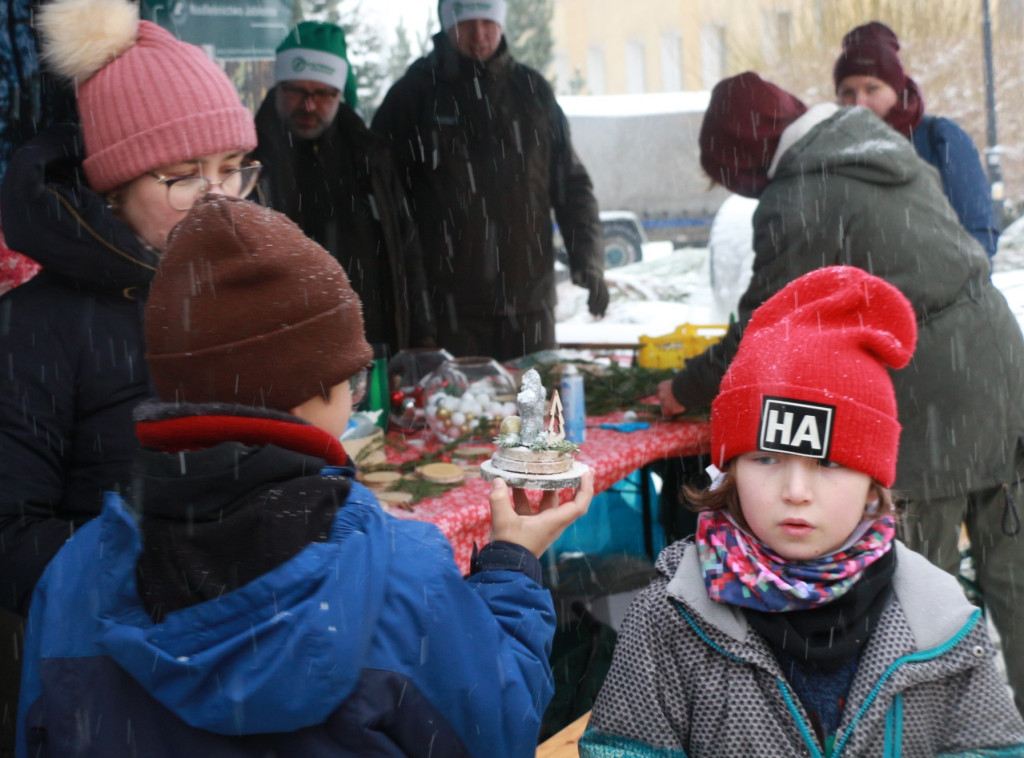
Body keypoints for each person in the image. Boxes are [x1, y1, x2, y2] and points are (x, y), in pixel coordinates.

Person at [16, 193, 594, 757]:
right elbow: (499, 730)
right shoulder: (398, 573)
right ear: (313, 392)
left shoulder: (73, 575)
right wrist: (512, 566)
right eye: (351, 377)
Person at [657, 71, 1024, 715]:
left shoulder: (800, 193)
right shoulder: (869, 143)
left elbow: (761, 327)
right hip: (998, 367)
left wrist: (681, 388)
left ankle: (926, 728)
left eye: (728, 171)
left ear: (745, 152)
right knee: (1015, 578)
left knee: (918, 598)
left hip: (930, 400)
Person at [583, 266, 1024, 756]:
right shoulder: (671, 616)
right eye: (766, 458)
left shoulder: (941, 622)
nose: (795, 491)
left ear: (874, 480)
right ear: (729, 469)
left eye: (830, 463)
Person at [0, 0, 258, 616]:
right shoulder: (35, 328)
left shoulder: (240, 289)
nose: (218, 198)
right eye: (183, 176)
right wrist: (169, 565)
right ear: (111, 192)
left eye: (232, 169)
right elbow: (9, 543)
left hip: (243, 652)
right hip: (112, 673)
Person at [372, 0, 608, 362]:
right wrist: (414, 313)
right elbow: (388, 207)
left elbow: (572, 186)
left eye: (488, 22)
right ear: (448, 25)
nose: (479, 35)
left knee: (537, 413)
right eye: (467, 23)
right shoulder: (414, 95)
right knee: (461, 415)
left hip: (529, 306)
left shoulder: (532, 92)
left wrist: (588, 260)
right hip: (448, 313)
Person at [253, 21, 434, 355]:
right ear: (278, 88)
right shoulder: (251, 159)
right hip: (280, 346)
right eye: (296, 91)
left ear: (340, 93)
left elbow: (404, 248)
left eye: (323, 93)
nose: (308, 105)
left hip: (368, 341)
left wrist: (421, 337)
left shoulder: (369, 156)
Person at [834, 21, 999, 259]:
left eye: (872, 88)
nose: (859, 103)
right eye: (848, 92)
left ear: (897, 90)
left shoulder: (940, 139)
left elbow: (978, 234)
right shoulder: (832, 152)